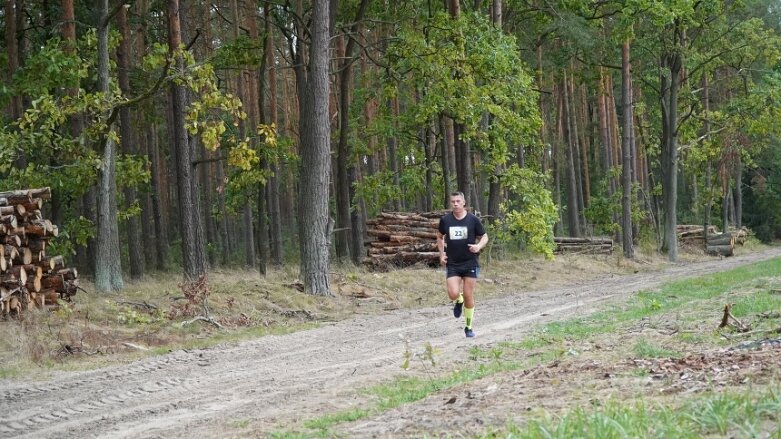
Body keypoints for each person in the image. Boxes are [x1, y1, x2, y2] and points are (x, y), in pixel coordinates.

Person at [437, 191, 488, 338]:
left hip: (470, 262)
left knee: (468, 295)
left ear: (464, 202)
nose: (455, 204)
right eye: (453, 201)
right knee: (453, 293)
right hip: (453, 262)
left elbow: (484, 236)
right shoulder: (446, 220)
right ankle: (458, 301)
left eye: (458, 201)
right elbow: (439, 237)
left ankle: (468, 327)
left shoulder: (473, 220)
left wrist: (479, 246)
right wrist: (442, 254)